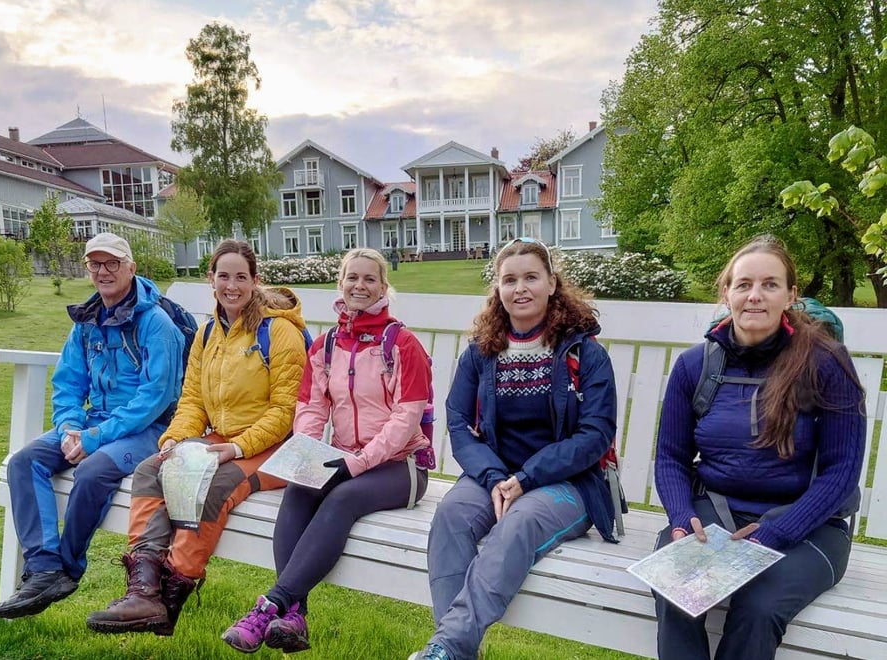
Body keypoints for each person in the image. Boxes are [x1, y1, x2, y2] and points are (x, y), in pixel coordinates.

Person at [652, 235, 865, 660]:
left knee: (757, 609)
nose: (755, 295)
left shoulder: (826, 362)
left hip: (807, 525)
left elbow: (841, 473)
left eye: (770, 284)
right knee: (677, 593)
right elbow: (670, 458)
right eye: (744, 283)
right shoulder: (695, 365)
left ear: (790, 295)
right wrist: (681, 518)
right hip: (714, 513)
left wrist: (775, 533)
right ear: (726, 292)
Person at [84, 239, 309, 636]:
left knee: (214, 481)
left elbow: (285, 411)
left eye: (241, 277)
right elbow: (192, 400)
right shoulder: (207, 333)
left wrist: (237, 447)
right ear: (212, 279)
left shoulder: (279, 332)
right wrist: (175, 439)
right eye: (224, 276)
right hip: (224, 437)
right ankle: (143, 589)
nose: (232, 286)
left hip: (277, 447)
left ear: (255, 280)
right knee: (153, 468)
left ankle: (172, 593)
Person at [414, 237, 619, 660]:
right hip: (495, 475)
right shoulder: (482, 352)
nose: (520, 288)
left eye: (531, 277)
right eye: (509, 280)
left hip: (568, 482)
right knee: (451, 514)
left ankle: (448, 646)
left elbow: (595, 434)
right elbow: (458, 423)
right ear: (498, 290)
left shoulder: (585, 352)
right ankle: (454, 650)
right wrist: (494, 478)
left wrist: (526, 479)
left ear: (551, 284)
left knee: (520, 522)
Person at [221, 247, 433, 655]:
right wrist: (307, 454)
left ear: (383, 287)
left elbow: (404, 420)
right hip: (344, 460)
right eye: (352, 277)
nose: (360, 285)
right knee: (299, 488)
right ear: (341, 283)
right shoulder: (327, 345)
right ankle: (294, 616)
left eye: (370, 279)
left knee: (341, 497)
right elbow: (311, 408)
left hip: (399, 466)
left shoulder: (401, 344)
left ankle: (272, 604)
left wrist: (355, 464)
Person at [0, 233, 185, 619]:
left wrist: (95, 438)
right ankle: (45, 569)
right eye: (95, 264)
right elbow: (67, 384)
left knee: (94, 470)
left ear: (131, 268)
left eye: (112, 263)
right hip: (93, 425)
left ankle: (67, 567)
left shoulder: (156, 323)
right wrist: (68, 429)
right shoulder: (85, 322)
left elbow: (155, 398)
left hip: (149, 430)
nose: (103, 271)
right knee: (23, 461)